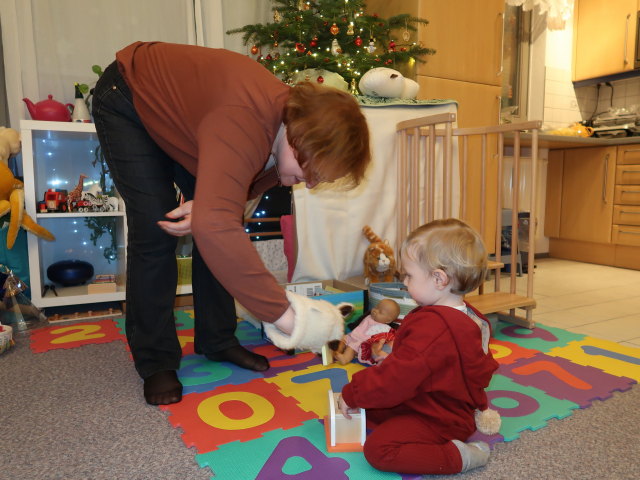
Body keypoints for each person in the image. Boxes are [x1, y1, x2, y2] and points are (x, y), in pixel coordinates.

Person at [91, 41, 371, 406]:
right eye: (313, 172)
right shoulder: (245, 120)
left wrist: (209, 207)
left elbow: (225, 212)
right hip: (129, 97)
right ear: (298, 139)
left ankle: (217, 339)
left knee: (222, 225)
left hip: (189, 121)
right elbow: (215, 223)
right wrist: (288, 317)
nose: (313, 183)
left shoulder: (281, 136)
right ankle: (155, 358)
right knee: (155, 226)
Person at [338, 218, 500, 475]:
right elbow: (436, 365)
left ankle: (459, 457)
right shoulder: (468, 315)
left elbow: (394, 381)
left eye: (409, 275)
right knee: (372, 409)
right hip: (437, 400)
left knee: (380, 450)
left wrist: (352, 393)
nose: (404, 281)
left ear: (439, 279)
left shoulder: (433, 327)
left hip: (438, 417)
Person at [332, 298, 400, 365]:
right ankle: (336, 352)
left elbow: (381, 341)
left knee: (351, 347)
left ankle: (345, 358)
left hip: (361, 343)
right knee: (342, 340)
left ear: (388, 320)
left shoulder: (385, 329)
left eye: (380, 312)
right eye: (376, 307)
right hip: (353, 336)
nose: (375, 311)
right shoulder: (369, 317)